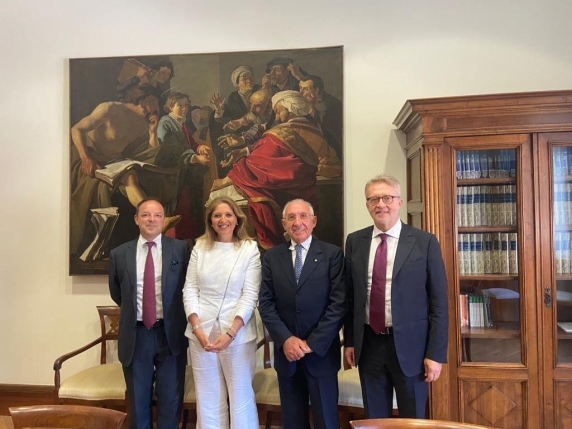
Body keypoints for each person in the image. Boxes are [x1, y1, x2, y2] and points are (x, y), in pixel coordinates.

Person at [344, 174, 449, 419]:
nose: (381, 204)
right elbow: (351, 297)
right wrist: (350, 341)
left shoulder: (424, 242)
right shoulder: (355, 241)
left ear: (399, 202)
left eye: (387, 198)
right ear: (367, 205)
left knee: (412, 419)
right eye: (373, 199)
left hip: (412, 348)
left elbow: (439, 303)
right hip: (369, 344)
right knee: (375, 420)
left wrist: (435, 354)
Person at [211, 90, 341, 249]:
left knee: (248, 166)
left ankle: (232, 178)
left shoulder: (284, 131)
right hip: (303, 179)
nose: (277, 116)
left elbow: (265, 157)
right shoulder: (310, 126)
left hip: (290, 177)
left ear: (291, 109)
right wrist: (245, 150)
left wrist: (238, 166)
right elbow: (276, 154)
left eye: (279, 111)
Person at [258, 199, 345, 429]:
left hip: (321, 355)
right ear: (284, 224)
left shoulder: (332, 254)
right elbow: (265, 303)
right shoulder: (272, 257)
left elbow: (338, 304)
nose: (298, 223)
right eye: (291, 218)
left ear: (314, 221)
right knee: (292, 422)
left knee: (326, 422)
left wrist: (310, 344)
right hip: (287, 355)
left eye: (303, 216)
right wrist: (286, 339)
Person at [108, 197, 190, 429]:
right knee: (138, 402)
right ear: (136, 219)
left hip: (170, 334)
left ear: (164, 220)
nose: (151, 219)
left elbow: (189, 288)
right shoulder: (119, 254)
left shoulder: (181, 249)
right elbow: (117, 293)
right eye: (145, 215)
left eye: (157, 215)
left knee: (170, 400)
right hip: (136, 335)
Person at [70, 86, 180, 255]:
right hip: (88, 159)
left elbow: (149, 154)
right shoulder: (110, 108)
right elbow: (76, 129)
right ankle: (156, 219)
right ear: (142, 100)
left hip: (113, 164)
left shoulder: (144, 123)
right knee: (129, 177)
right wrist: (85, 158)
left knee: (133, 176)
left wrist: (152, 132)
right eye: (153, 101)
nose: (157, 107)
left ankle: (155, 220)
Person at [183, 196, 261, 429]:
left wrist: (230, 333)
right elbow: (190, 289)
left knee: (240, 397)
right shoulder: (199, 247)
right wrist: (196, 327)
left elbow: (250, 295)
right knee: (208, 398)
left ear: (237, 219)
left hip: (237, 334)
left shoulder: (249, 248)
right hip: (201, 334)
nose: (223, 220)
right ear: (210, 220)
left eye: (228, 214)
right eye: (217, 215)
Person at [156, 91, 211, 240]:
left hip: (185, 172)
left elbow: (189, 143)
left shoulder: (182, 124)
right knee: (179, 209)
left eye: (186, 105)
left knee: (190, 208)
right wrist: (195, 158)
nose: (184, 108)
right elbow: (171, 148)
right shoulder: (166, 122)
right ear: (170, 106)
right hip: (172, 174)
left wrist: (199, 147)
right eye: (179, 105)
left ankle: (192, 240)